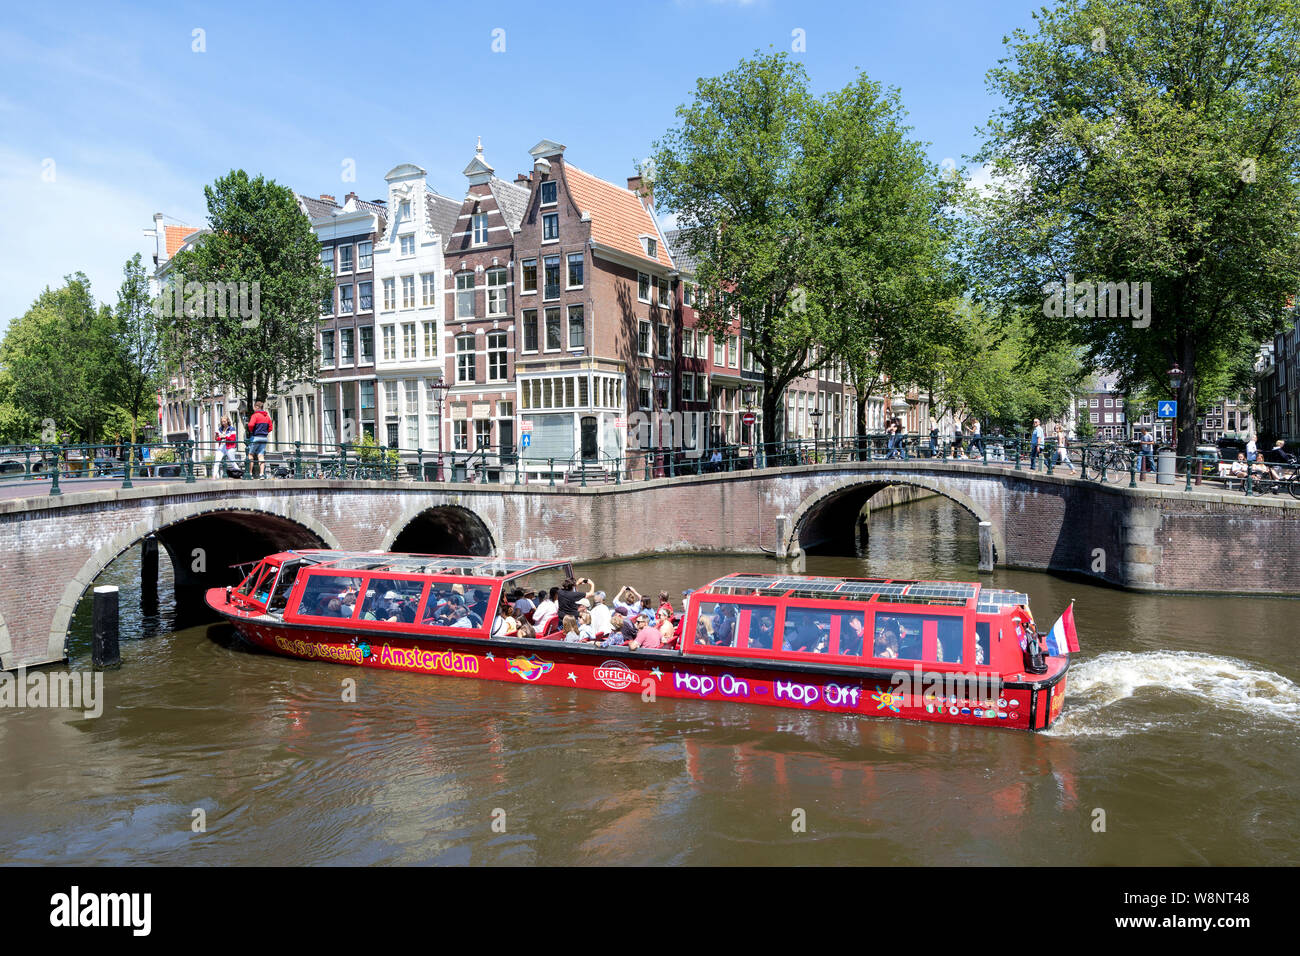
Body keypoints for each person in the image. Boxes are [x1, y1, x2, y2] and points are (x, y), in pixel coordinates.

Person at [246, 400, 273, 478]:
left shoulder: (255, 415)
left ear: (257, 407)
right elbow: (270, 428)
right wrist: (265, 432)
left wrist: (252, 431)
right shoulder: (267, 416)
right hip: (264, 438)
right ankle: (262, 474)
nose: (254, 409)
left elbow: (250, 425)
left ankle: (250, 474)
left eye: (254, 407)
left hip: (255, 437)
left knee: (250, 455)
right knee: (261, 456)